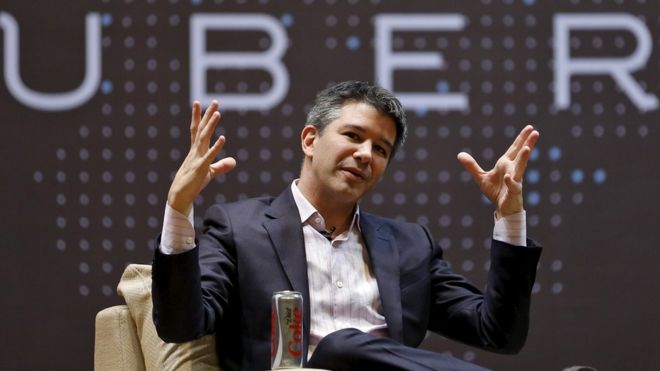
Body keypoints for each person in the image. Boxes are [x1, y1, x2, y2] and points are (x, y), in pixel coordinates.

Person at [152, 81, 542, 371]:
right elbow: (182, 325)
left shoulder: (409, 245)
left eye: (380, 149)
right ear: (310, 139)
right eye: (353, 136)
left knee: (345, 346)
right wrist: (178, 206)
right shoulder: (240, 228)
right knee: (339, 347)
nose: (364, 154)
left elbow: (498, 333)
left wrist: (510, 216)